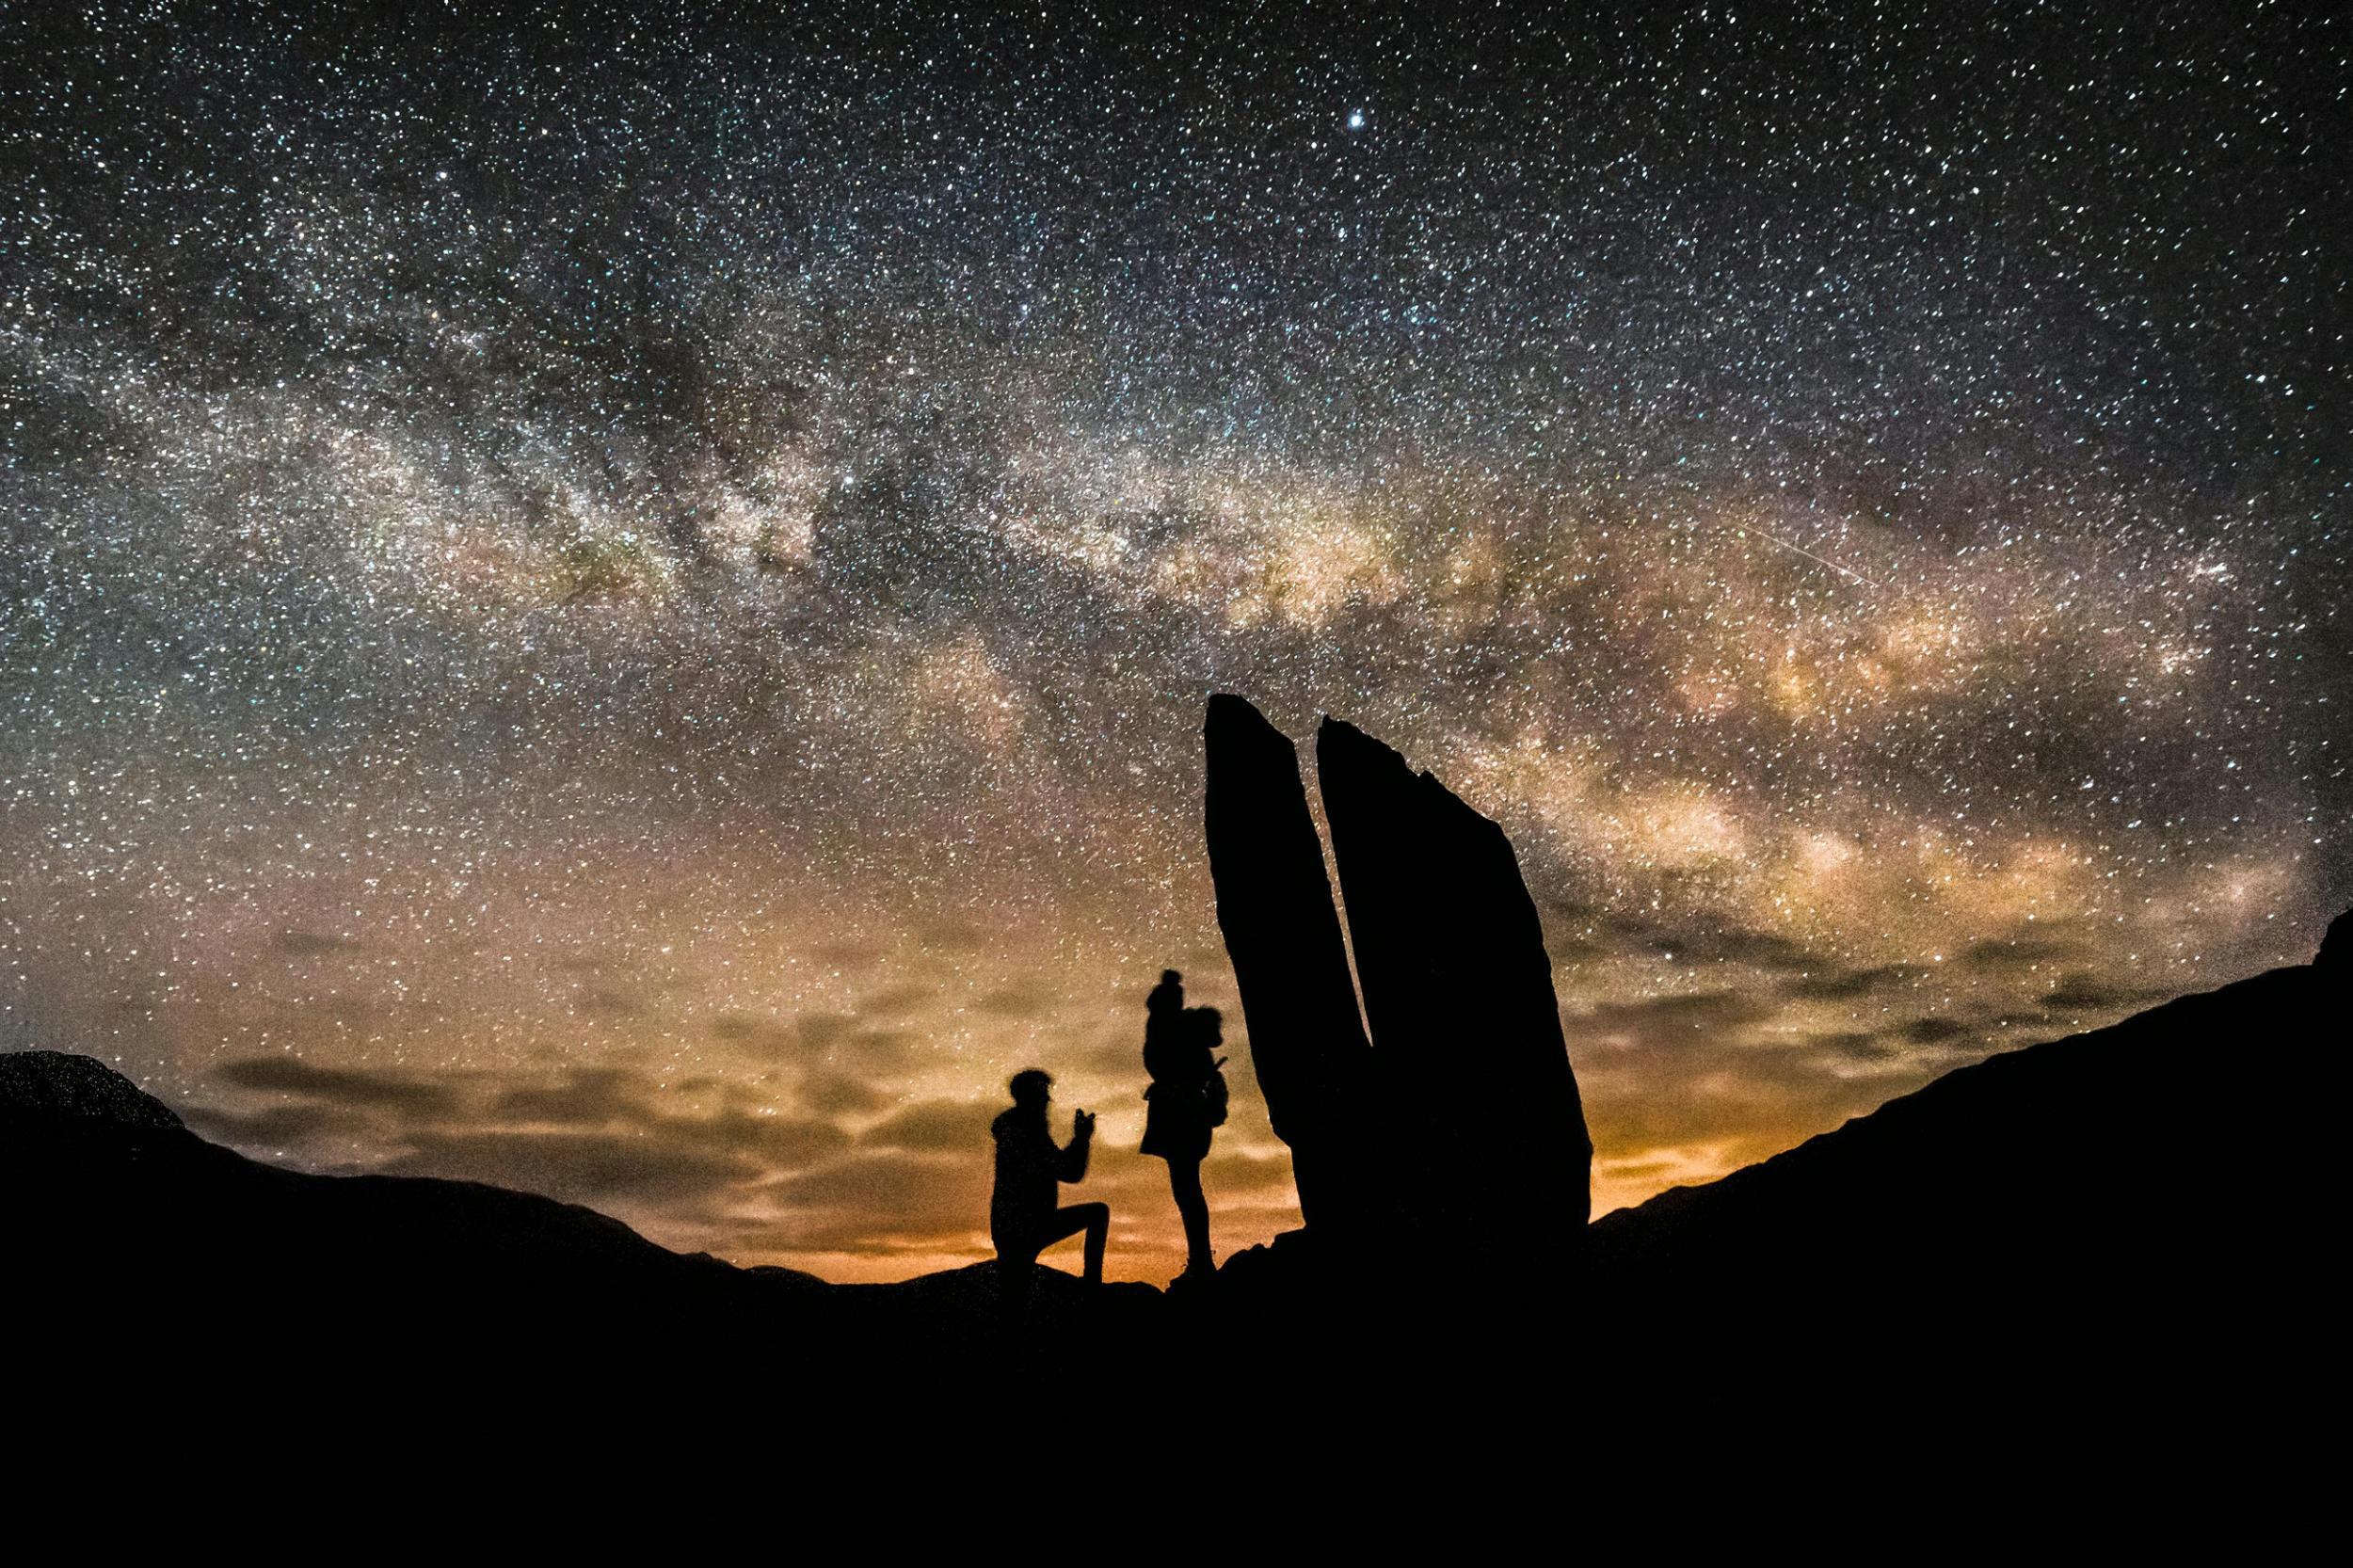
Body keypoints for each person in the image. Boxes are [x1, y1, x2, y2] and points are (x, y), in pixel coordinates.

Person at [989, 1068, 1107, 1289]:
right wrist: (1081, 1140)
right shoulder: (1026, 1132)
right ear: (1029, 1097)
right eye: (1042, 1093)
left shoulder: (1020, 1130)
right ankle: (1092, 1284)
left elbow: (1067, 1170)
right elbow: (1070, 1172)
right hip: (1027, 1227)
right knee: (1098, 1213)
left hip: (1014, 1229)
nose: (1048, 1099)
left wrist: (1080, 1139)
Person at [1141, 978, 1225, 1285]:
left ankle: (1201, 1261)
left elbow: (1159, 1060)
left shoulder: (1178, 1040)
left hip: (1183, 1122)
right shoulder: (1180, 1039)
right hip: (1187, 1121)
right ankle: (1200, 1259)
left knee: (1187, 1191)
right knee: (1187, 1191)